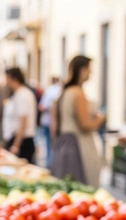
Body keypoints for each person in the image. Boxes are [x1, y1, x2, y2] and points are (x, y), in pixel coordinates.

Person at [51, 56, 105, 186]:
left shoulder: (64, 92)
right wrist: (99, 119)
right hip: (76, 147)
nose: (91, 73)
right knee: (79, 187)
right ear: (81, 70)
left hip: (63, 144)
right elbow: (85, 124)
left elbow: (54, 124)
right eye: (89, 69)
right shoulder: (77, 93)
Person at [3, 67, 37, 163]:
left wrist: (16, 146)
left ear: (13, 78)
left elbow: (23, 122)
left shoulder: (23, 95)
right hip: (18, 139)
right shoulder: (18, 94)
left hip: (22, 142)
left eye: (7, 78)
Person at [38, 76, 62, 164]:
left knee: (49, 146)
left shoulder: (50, 90)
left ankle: (50, 164)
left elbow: (42, 106)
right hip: (56, 123)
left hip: (48, 121)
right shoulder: (60, 91)